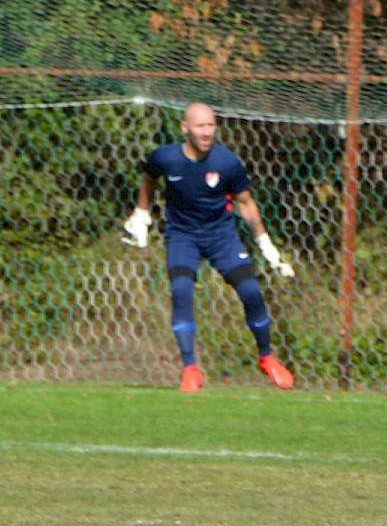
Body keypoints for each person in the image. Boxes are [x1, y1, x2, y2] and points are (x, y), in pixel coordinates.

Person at [121, 101, 297, 393]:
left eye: (211, 125)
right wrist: (141, 214)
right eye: (200, 126)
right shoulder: (165, 158)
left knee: (251, 292)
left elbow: (245, 203)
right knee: (181, 291)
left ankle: (267, 358)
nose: (207, 132)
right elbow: (148, 180)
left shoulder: (227, 162)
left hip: (221, 237)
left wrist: (266, 244)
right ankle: (190, 369)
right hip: (183, 237)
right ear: (185, 128)